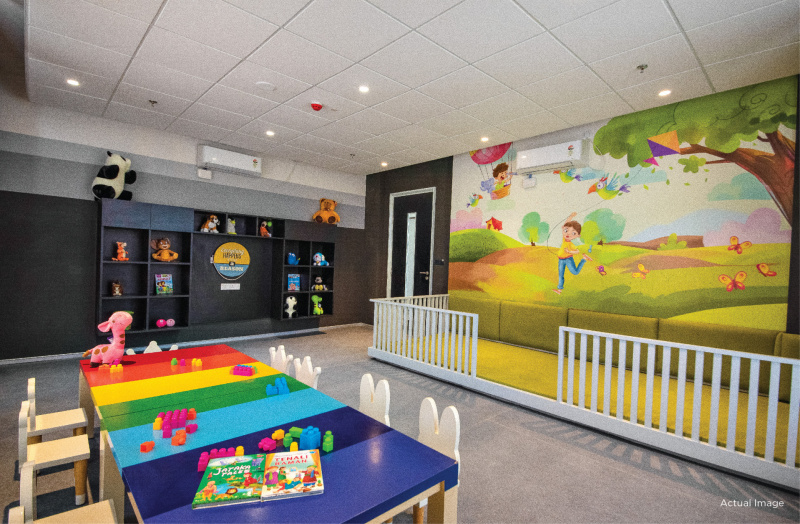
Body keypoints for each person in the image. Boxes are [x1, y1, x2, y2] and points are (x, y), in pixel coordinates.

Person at [553, 212, 592, 294]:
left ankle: (584, 259)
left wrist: (569, 251)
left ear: (578, 235)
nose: (568, 234)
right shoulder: (564, 239)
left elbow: (577, 251)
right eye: (566, 230)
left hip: (568, 259)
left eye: (573, 233)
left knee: (575, 272)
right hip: (561, 260)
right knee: (561, 274)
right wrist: (571, 216)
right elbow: (565, 224)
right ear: (563, 229)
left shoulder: (571, 244)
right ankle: (559, 289)